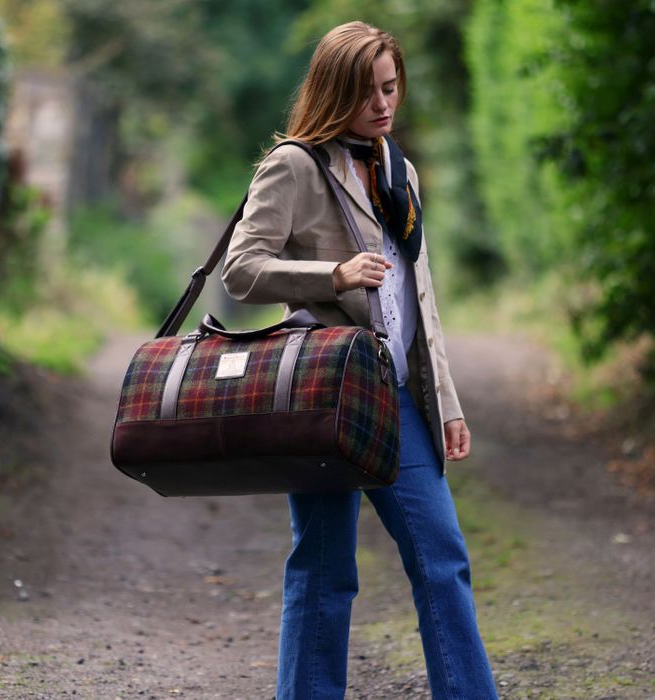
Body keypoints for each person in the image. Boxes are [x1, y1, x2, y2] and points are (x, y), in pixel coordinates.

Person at [221, 20, 498, 700]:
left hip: (397, 394)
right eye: (367, 91)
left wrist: (449, 404)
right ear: (331, 91)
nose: (383, 104)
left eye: (390, 87)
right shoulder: (295, 164)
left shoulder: (398, 167)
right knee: (323, 566)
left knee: (442, 558)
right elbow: (241, 270)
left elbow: (417, 297)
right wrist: (332, 276)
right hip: (323, 392)